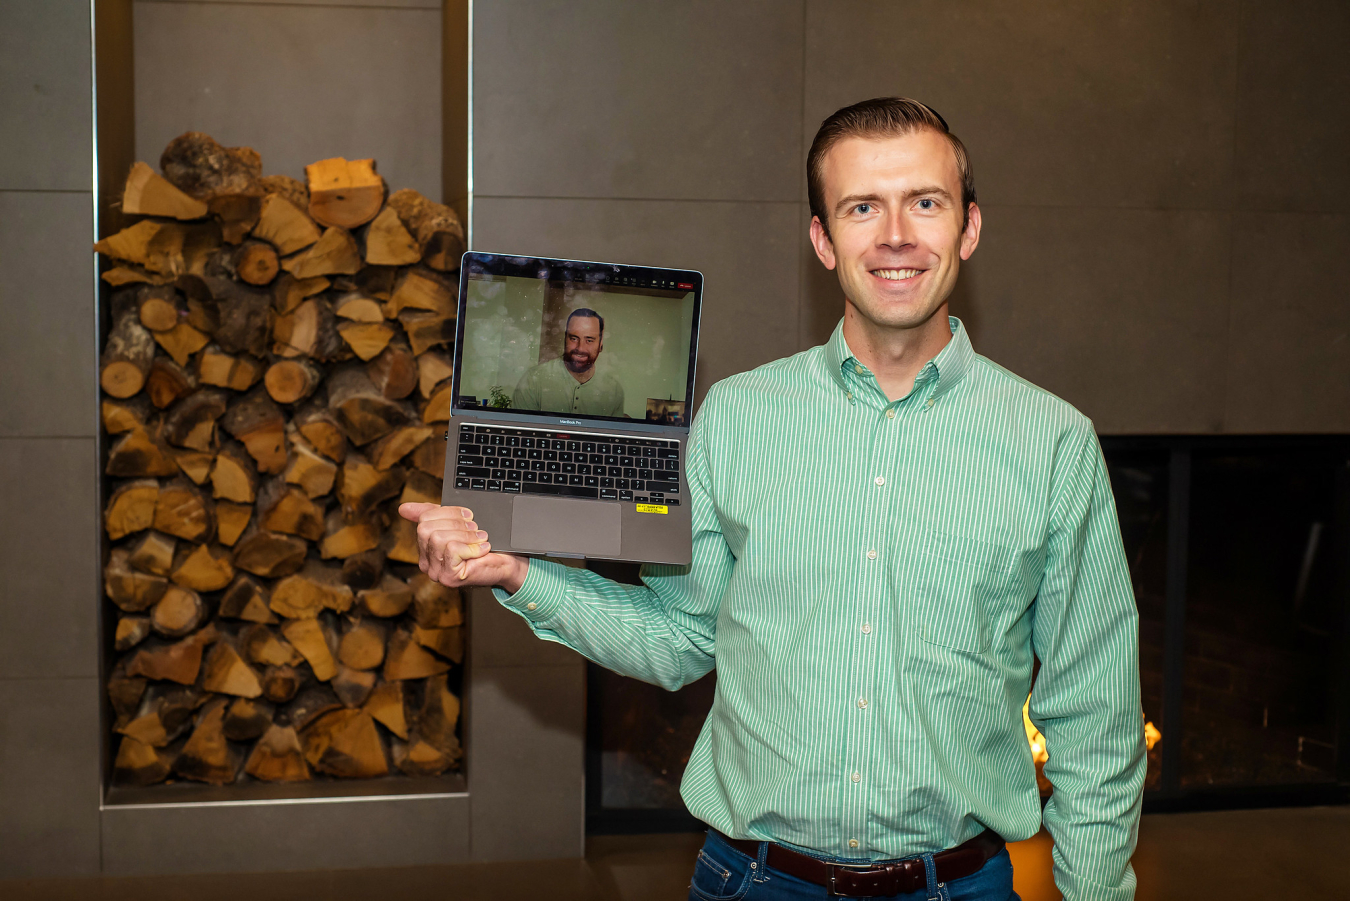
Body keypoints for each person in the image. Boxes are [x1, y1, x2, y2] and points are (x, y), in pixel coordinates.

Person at [402, 97, 1144, 901]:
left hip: (960, 884)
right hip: (754, 882)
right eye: (863, 207)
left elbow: (1096, 713)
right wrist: (518, 572)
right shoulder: (738, 416)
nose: (896, 234)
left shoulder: (1053, 441)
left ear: (968, 227)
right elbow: (681, 636)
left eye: (924, 202)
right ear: (824, 240)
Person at [511, 307, 625, 416]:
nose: (580, 348)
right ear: (565, 339)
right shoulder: (533, 380)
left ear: (600, 345)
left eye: (589, 340)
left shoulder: (613, 391)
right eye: (574, 338)